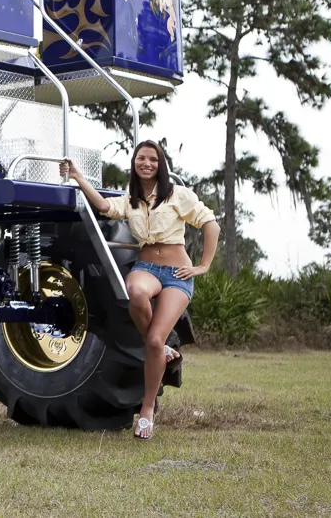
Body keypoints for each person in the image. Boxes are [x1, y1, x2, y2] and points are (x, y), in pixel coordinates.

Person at [61, 140, 219, 440]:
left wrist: (203, 266)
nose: (146, 163)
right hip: (146, 269)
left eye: (153, 160)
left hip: (177, 273)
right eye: (140, 158)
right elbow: (104, 207)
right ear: (134, 163)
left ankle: (146, 411)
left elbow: (211, 224)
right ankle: (159, 349)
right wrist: (79, 177)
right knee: (134, 292)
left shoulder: (177, 195)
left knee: (156, 341)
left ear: (161, 165)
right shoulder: (130, 199)